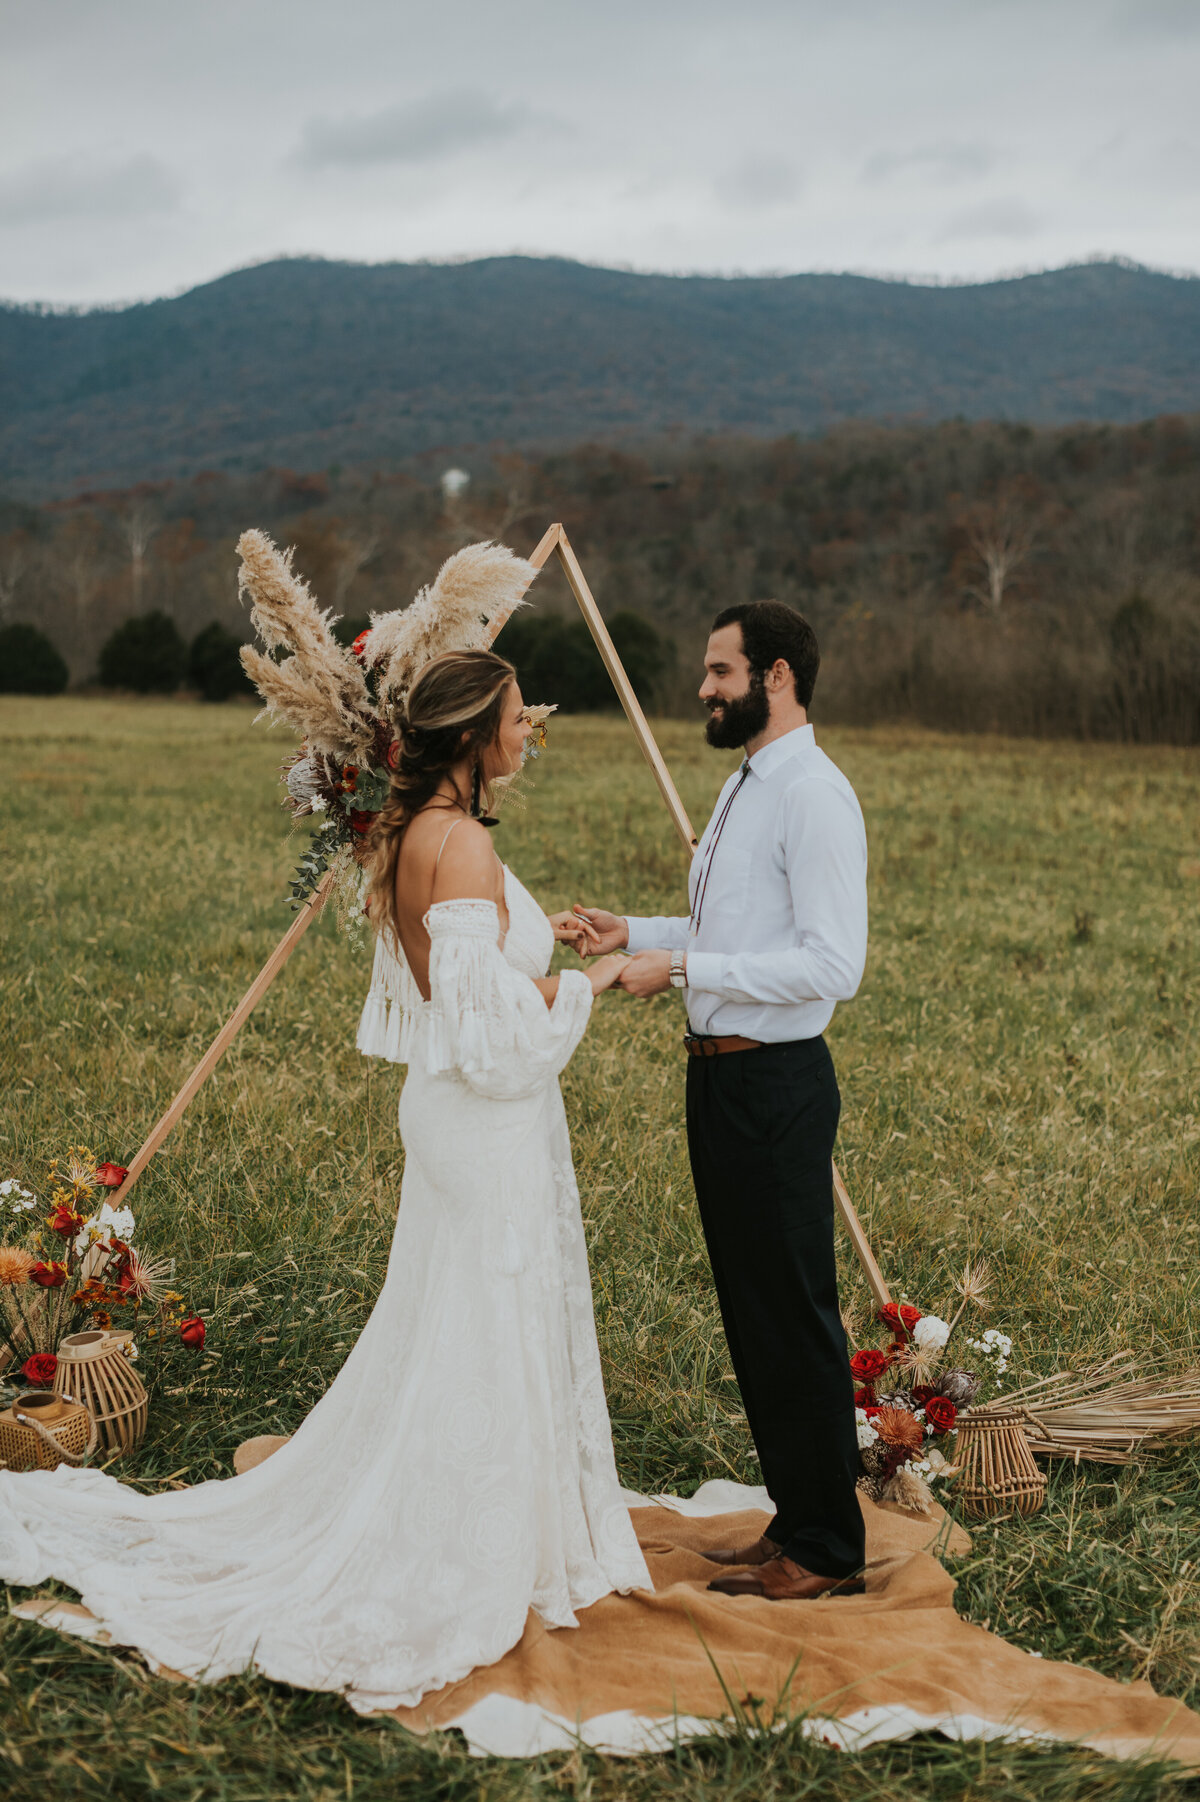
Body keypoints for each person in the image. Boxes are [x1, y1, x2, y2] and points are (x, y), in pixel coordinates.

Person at [0, 648, 649, 1711]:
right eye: (523, 715)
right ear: (476, 737)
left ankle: (477, 1513)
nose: (535, 729)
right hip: (481, 1117)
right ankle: (458, 1547)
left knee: (456, 1312)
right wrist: (598, 977)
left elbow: (461, 980)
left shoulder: (418, 837)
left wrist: (547, 945)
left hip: (452, 1115)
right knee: (482, 1316)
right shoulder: (466, 848)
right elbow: (484, 1033)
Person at [575, 601, 869, 1601]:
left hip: (776, 1086)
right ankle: (796, 1520)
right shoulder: (748, 781)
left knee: (793, 1310)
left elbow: (834, 962)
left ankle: (828, 1546)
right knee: (753, 1313)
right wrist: (638, 928)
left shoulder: (816, 796)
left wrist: (687, 959)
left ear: (774, 674)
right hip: (718, 1077)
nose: (703, 687)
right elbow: (728, 924)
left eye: (720, 670)